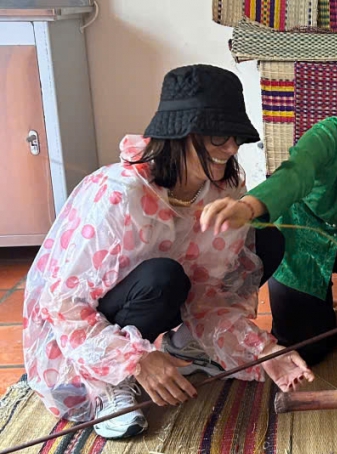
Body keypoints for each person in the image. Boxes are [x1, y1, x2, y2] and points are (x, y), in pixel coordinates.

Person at [22, 65, 313, 440]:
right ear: (179, 134)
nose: (230, 149)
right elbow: (62, 305)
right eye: (220, 137)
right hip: (85, 324)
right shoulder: (118, 196)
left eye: (235, 138)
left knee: (266, 238)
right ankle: (110, 382)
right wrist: (137, 361)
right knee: (163, 276)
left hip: (158, 296)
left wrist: (263, 351)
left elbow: (209, 295)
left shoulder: (222, 190)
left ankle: (188, 346)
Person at [200, 65, 337, 365]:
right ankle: (318, 303)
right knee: (311, 348)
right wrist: (248, 206)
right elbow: (296, 177)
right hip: (301, 243)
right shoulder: (329, 136)